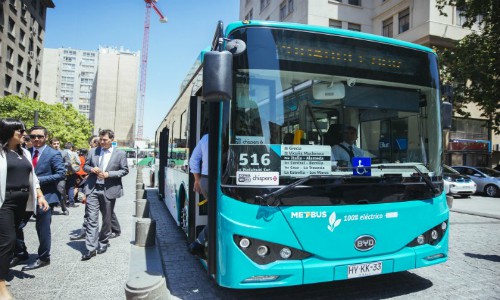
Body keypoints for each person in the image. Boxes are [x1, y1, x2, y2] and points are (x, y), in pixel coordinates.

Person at [0, 119, 49, 299]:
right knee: (7, 241)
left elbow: (33, 177)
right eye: (19, 130)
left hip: (22, 203)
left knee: (9, 242)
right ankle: (1, 287)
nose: (23, 133)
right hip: (4, 202)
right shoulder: (1, 152)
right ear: (7, 131)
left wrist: (40, 195)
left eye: (23, 130)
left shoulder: (25, 153)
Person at [18, 126, 66, 271]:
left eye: (39, 136)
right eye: (33, 137)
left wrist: (37, 179)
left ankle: (44, 257)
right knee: (16, 226)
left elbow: (61, 174)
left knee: (42, 228)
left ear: (45, 137)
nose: (36, 139)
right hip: (25, 196)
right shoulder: (25, 153)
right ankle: (20, 253)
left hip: (45, 196)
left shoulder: (53, 154)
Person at [81, 129, 128, 261]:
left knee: (107, 219)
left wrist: (108, 174)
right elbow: (85, 167)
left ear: (111, 140)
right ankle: (90, 248)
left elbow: (124, 170)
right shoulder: (93, 151)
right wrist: (91, 169)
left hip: (109, 189)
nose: (102, 142)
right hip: (93, 189)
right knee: (91, 218)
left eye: (105, 140)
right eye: (100, 139)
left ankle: (103, 242)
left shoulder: (120, 154)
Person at [188, 134, 209, 257]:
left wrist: (197, 180)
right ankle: (199, 243)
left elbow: (193, 160)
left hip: (205, 180)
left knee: (215, 214)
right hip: (215, 181)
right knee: (217, 215)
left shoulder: (206, 138)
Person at [49, 138, 69, 215]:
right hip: (50, 175)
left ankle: (64, 208)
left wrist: (60, 164)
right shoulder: (48, 152)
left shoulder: (64, 153)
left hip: (61, 175)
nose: (56, 145)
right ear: (51, 144)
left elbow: (68, 162)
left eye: (58, 143)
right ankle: (51, 207)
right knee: (50, 191)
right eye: (54, 144)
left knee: (60, 190)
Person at [63, 142, 80, 208]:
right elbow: (79, 162)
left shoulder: (61, 152)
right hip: (71, 172)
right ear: (71, 147)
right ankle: (71, 203)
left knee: (62, 188)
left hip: (63, 172)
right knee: (71, 187)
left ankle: (62, 203)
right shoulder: (74, 153)